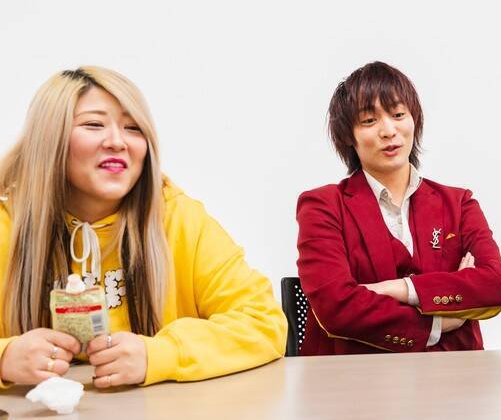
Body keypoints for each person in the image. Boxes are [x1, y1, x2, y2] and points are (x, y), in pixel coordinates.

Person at [0, 67, 287, 388]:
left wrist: (161, 355)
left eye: (133, 128)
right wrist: (4, 358)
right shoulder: (6, 224)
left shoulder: (179, 218)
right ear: (48, 139)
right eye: (94, 125)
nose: (117, 142)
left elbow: (263, 322)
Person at [296, 61, 501, 354]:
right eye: (369, 120)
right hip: (355, 375)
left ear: (414, 120)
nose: (388, 130)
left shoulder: (459, 203)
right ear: (348, 135)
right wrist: (438, 322)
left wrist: (398, 289)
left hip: (455, 374)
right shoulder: (322, 206)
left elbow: (495, 284)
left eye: (398, 115)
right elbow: (336, 307)